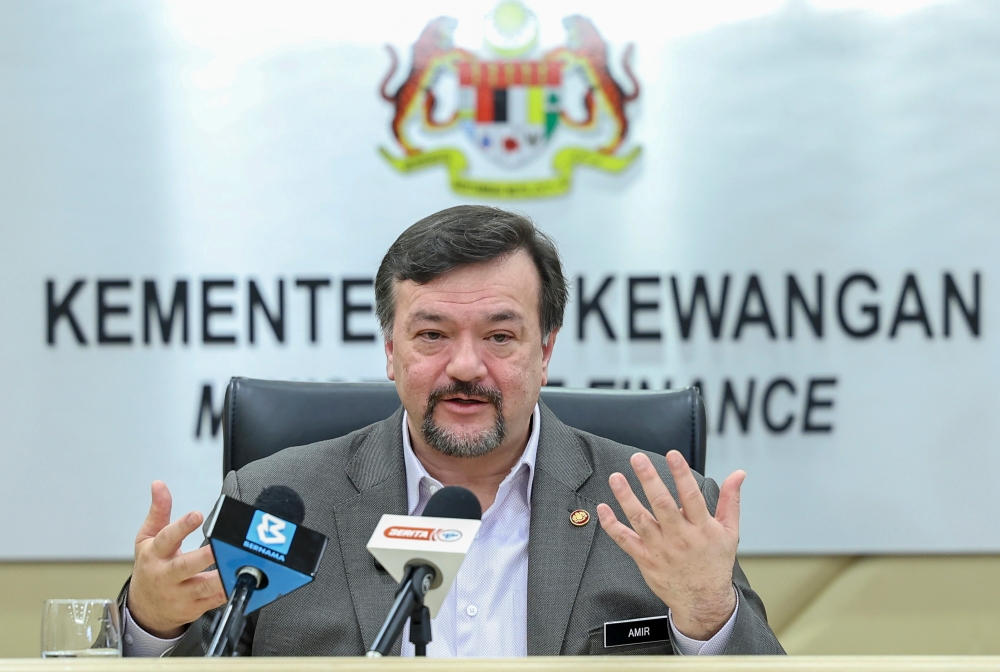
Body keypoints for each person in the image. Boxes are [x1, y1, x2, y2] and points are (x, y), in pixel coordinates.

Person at [120, 206, 785, 656]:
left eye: (500, 336)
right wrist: (152, 620)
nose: (466, 366)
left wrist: (706, 611)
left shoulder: (656, 510)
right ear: (390, 349)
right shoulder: (276, 499)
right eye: (432, 335)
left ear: (545, 351)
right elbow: (186, 654)